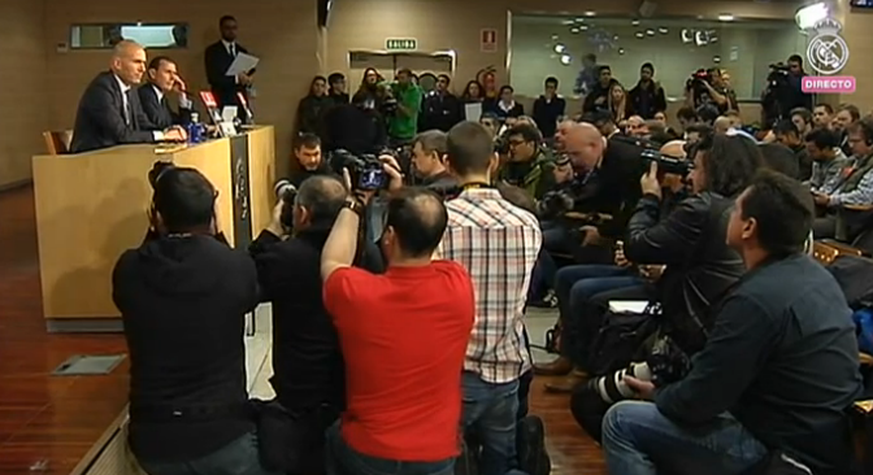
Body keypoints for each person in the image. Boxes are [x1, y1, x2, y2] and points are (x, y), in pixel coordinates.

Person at [602, 169, 862, 475]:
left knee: (621, 421)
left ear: (749, 227)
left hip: (784, 448)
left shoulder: (755, 299)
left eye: (735, 209)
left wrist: (660, 394)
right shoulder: (815, 275)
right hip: (824, 435)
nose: (728, 215)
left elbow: (701, 400)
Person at [113, 166, 277, 475]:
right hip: (224, 436)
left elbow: (148, 255)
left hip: (153, 442)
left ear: (156, 217)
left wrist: (157, 223)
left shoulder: (128, 269)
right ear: (212, 217)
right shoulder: (234, 267)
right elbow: (244, 286)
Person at [321, 185, 475, 475]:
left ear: (389, 236)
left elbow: (332, 261)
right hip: (436, 452)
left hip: (368, 449)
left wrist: (353, 205)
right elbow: (431, 245)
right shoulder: (458, 284)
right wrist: (409, 198)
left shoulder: (356, 292)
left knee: (331, 436)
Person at [248, 175, 381, 474]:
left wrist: (271, 230)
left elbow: (240, 281)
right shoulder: (367, 255)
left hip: (298, 393)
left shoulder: (283, 257)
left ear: (302, 213)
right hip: (352, 391)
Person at [535, 140, 689, 386]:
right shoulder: (662, 196)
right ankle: (568, 354)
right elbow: (637, 231)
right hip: (640, 267)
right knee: (566, 277)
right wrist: (628, 250)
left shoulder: (684, 204)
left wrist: (647, 256)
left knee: (586, 293)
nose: (655, 171)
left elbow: (675, 247)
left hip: (665, 281)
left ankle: (585, 369)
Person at [435, 121, 541, 475]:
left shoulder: (441, 223)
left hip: (455, 370)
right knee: (501, 460)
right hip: (508, 366)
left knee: (448, 459)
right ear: (494, 160)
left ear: (447, 163)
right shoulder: (528, 223)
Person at [70, 41, 186, 153]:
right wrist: (163, 136)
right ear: (117, 64)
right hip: (89, 159)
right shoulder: (101, 88)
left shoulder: (131, 91)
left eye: (144, 63)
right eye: (137, 62)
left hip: (118, 156)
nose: (143, 69)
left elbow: (143, 124)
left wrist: (169, 132)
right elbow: (121, 134)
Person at [812, 118, 873, 239]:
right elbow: (833, 183)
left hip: (849, 221)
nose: (850, 145)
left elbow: (864, 197)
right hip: (831, 211)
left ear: (870, 142)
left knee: (803, 228)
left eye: (856, 141)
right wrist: (820, 193)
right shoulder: (851, 161)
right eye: (849, 141)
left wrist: (831, 200)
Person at [204, 15, 255, 117]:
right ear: (221, 29)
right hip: (222, 100)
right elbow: (213, 78)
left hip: (240, 101)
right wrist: (236, 79)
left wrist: (248, 79)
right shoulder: (212, 51)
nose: (231, 31)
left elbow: (248, 72)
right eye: (228, 28)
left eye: (234, 28)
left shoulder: (242, 51)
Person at [500, 123, 555, 200]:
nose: (511, 148)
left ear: (531, 144)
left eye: (516, 143)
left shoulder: (546, 169)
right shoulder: (507, 167)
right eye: (510, 143)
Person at [137, 56, 193, 130]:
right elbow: (160, 124)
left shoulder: (162, 98)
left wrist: (181, 95)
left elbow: (184, 124)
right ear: (153, 74)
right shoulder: (145, 94)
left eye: (174, 73)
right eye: (168, 72)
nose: (173, 78)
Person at [806, 127, 853, 196]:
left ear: (826, 149)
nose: (809, 155)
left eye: (812, 151)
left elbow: (828, 189)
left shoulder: (840, 163)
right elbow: (814, 182)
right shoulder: (818, 160)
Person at [388, 68, 424, 146]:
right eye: (399, 78)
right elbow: (382, 84)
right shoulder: (396, 87)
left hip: (407, 134)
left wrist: (396, 102)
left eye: (403, 78)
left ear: (409, 78)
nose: (400, 81)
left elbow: (409, 113)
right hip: (393, 132)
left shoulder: (415, 92)